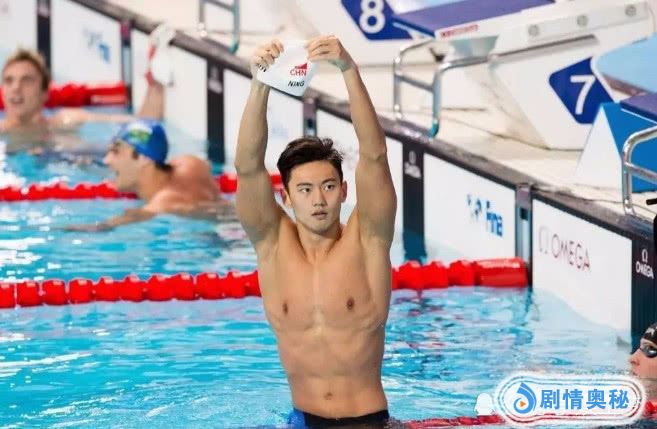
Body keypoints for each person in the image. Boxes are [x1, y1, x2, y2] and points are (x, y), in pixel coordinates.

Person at [234, 36, 397, 427]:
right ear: (286, 197)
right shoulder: (272, 245)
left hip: (366, 421)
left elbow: (375, 155)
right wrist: (260, 82)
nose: (319, 200)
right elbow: (247, 167)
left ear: (344, 191)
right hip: (302, 420)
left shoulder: (368, 240)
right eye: (305, 190)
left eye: (328, 186)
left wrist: (348, 69)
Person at [0, 25, 173, 152]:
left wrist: (156, 83)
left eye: (26, 80)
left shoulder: (66, 121)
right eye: (9, 81)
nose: (16, 88)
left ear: (45, 92)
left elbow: (142, 125)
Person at [65, 119, 231, 232]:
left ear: (143, 158)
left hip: (231, 234)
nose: (106, 160)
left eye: (115, 152)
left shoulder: (163, 202)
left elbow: (130, 217)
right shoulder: (189, 163)